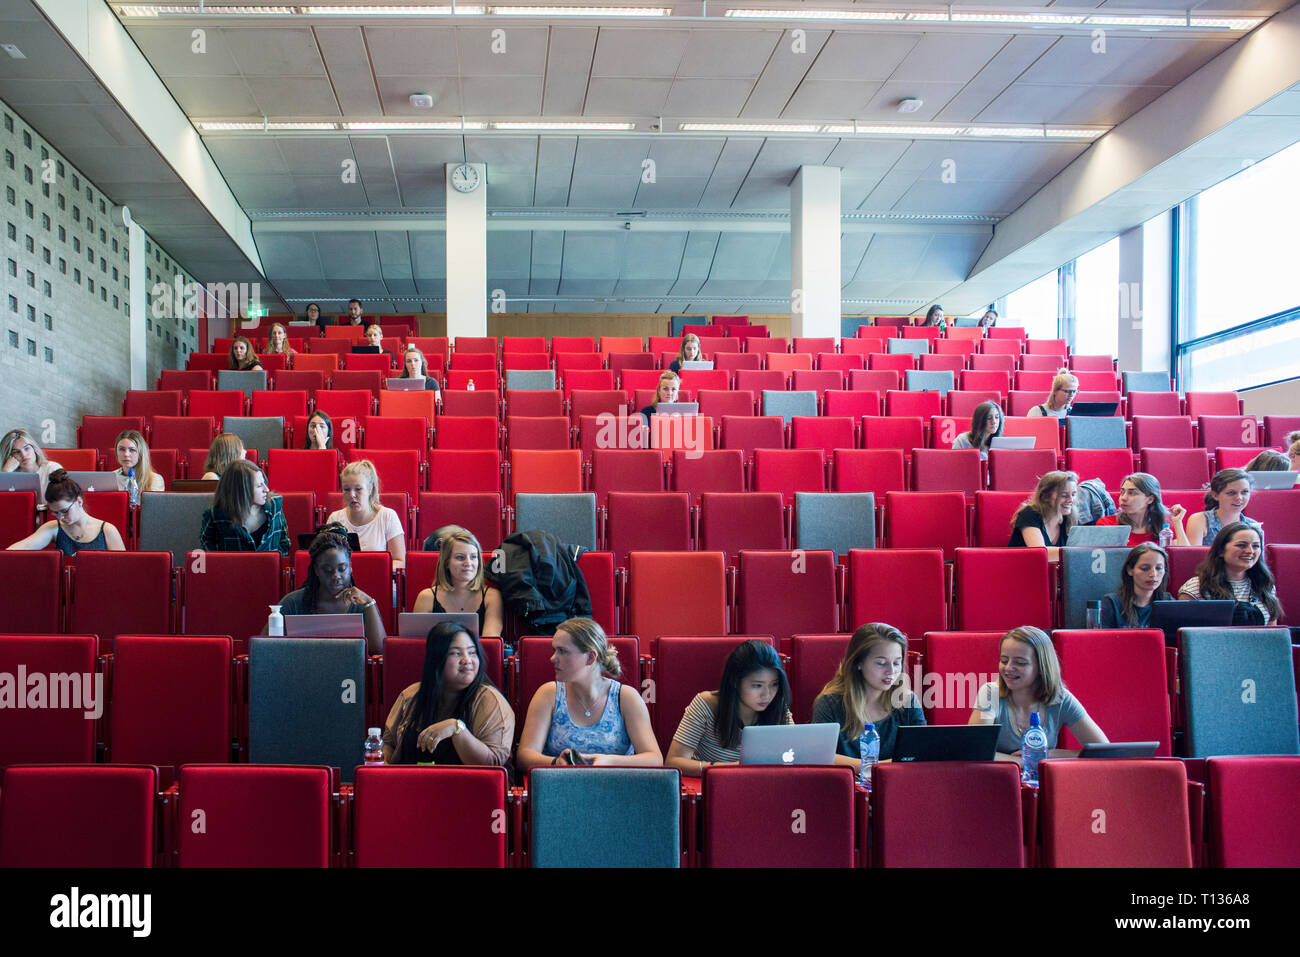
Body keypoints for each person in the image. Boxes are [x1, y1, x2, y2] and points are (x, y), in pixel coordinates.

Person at [516, 617, 661, 770]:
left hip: (615, 787)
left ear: (591, 657)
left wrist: (609, 761)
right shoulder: (548, 694)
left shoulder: (625, 698)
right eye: (555, 650)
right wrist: (555, 763)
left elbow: (654, 758)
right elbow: (525, 756)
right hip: (562, 786)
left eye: (563, 651)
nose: (553, 658)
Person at [382, 621, 514, 766]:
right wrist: (384, 763)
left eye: (472, 652)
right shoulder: (411, 695)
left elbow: (493, 766)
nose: (467, 660)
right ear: (436, 660)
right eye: (456, 653)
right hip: (411, 783)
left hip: (467, 786)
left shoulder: (490, 700)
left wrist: (457, 729)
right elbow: (388, 744)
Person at [968, 626, 1108, 756]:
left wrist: (1048, 754)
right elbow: (974, 750)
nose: (1008, 668)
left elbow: (1103, 751)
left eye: (1020, 663)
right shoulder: (990, 693)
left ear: (1041, 668)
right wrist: (1021, 760)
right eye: (1004, 661)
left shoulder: (1061, 699)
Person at [665, 639, 794, 777]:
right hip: (712, 790)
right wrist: (732, 768)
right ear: (735, 681)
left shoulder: (778, 707)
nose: (767, 694)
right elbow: (673, 762)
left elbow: (796, 754)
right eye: (757, 685)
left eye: (774, 684)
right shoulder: (705, 704)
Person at [811, 623, 925, 765]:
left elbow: (921, 751)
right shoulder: (830, 703)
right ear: (858, 662)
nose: (891, 671)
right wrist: (881, 766)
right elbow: (821, 756)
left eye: (897, 663)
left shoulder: (908, 701)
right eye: (881, 663)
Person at [271, 525, 386, 653]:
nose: (336, 576)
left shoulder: (362, 604)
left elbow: (379, 651)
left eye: (342, 569)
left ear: (351, 568)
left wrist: (369, 603)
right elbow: (265, 648)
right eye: (328, 570)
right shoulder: (293, 603)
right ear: (316, 570)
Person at [1178, 522, 1282, 625]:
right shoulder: (1196, 588)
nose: (1250, 551)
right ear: (1220, 551)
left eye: (1256, 546)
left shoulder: (1265, 585)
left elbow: (1272, 633)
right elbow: (1187, 636)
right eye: (1242, 545)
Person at [411, 528, 505, 637]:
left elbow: (490, 644)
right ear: (446, 562)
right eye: (460, 557)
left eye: (473, 557)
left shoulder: (492, 597)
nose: (468, 563)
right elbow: (417, 646)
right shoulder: (426, 598)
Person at [6, 469, 125, 554]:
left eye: (64, 511)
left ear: (79, 501)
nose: (60, 517)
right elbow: (23, 546)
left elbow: (121, 569)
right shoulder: (54, 528)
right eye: (55, 513)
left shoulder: (107, 530)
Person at [198, 458, 291, 557]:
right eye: (259, 486)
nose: (266, 489)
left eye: (264, 483)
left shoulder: (275, 505)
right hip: (232, 570)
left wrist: (276, 564)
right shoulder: (215, 514)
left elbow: (284, 542)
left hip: (269, 569)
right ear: (241, 491)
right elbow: (207, 545)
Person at [326, 460, 406, 569]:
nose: (352, 495)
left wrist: (370, 569)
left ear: (370, 488)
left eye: (358, 489)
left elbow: (400, 561)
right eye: (346, 489)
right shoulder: (335, 518)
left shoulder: (388, 516)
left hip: (378, 580)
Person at [1091, 472, 1188, 545]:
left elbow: (1184, 561)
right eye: (1122, 492)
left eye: (1132, 493)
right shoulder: (1107, 524)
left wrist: (1178, 524)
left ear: (1150, 499)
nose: (1123, 498)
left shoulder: (1165, 529)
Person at [1184, 468, 1263, 547]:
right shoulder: (1200, 520)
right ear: (1215, 495)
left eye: (1244, 492)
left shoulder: (1253, 525)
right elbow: (1193, 557)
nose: (1239, 498)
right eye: (1231, 493)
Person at [1099, 543, 1172, 628]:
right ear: (1130, 570)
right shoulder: (1111, 603)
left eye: (1159, 568)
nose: (1153, 574)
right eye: (1145, 568)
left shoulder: (1168, 603)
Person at [1009, 470, 1078, 557]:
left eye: (1074, 494)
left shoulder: (1070, 518)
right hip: (1023, 568)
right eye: (1064, 495)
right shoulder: (1029, 514)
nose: (1071, 500)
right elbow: (1040, 554)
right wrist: (1077, 553)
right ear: (1046, 496)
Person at [1, 428, 63, 503]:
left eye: (26, 448)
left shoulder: (52, 468)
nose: (23, 455)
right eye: (16, 452)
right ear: (9, 457)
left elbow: (64, 502)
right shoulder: (10, 474)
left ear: (34, 449)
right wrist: (5, 472)